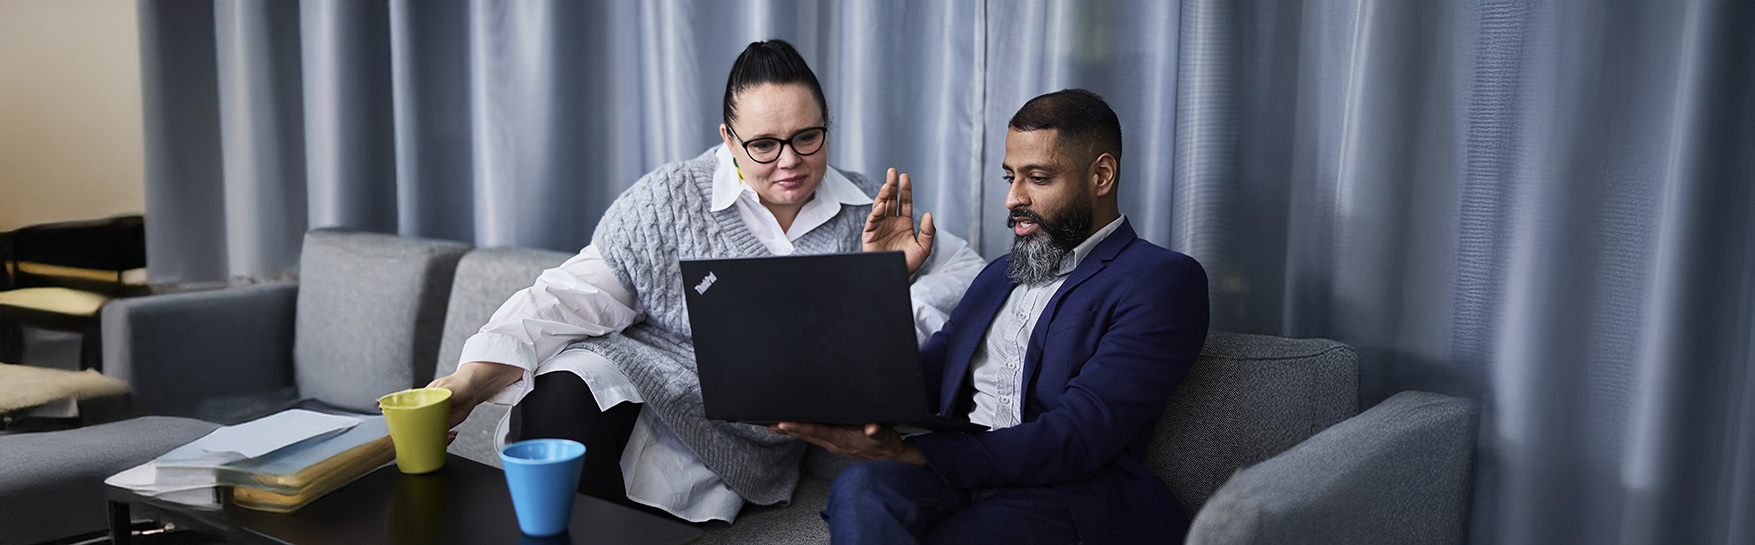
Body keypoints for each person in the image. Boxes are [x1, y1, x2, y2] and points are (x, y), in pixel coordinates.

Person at [425, 39, 987, 523]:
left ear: (826, 126)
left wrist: (883, 290)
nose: (789, 161)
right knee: (562, 389)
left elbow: (969, 273)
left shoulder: (870, 209)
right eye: (763, 145)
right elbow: (570, 297)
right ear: (728, 138)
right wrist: (470, 379)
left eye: (807, 137)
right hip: (638, 378)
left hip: (739, 433)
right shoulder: (668, 198)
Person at [771, 89, 1211, 544]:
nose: (1013, 198)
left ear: (1101, 175)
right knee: (861, 488)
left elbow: (1078, 436)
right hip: (956, 479)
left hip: (1063, 494)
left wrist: (914, 454)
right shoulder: (998, 275)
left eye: (1037, 178)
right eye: (1009, 177)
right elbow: (917, 383)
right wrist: (879, 281)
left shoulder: (1160, 280)